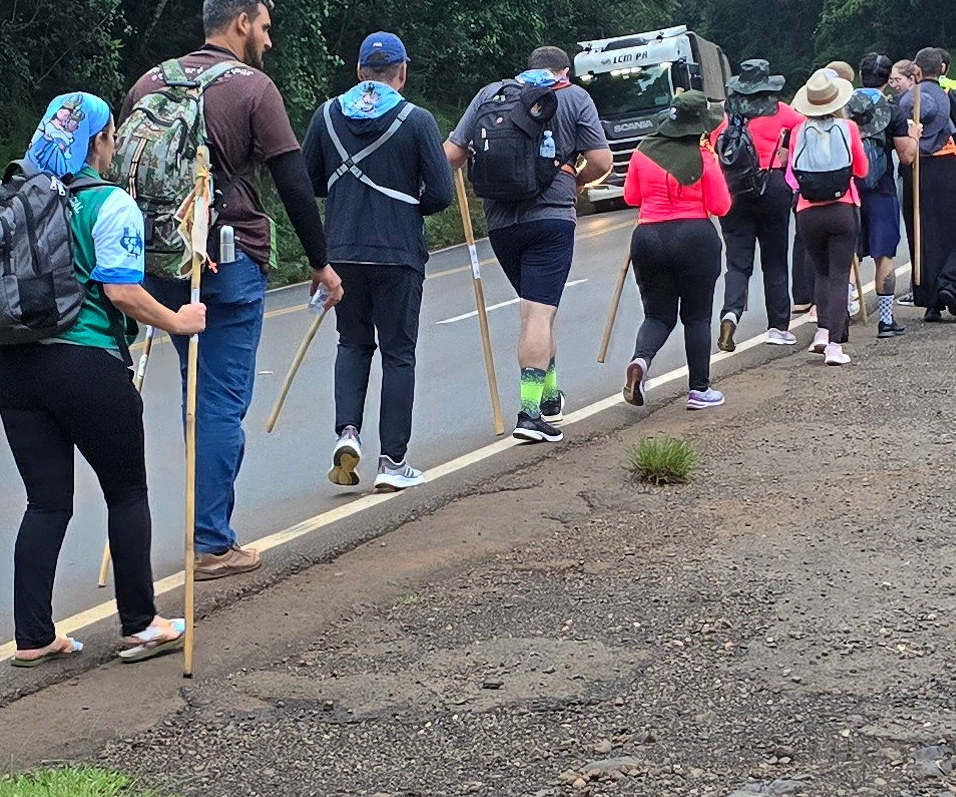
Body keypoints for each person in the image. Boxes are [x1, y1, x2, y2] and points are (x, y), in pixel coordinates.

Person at [121, 0, 342, 581]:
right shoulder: (252, 89)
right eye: (265, 27)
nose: (268, 40)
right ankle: (212, 542)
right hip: (227, 262)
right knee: (217, 402)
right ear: (241, 22)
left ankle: (203, 525)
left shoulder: (150, 83)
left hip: (157, 265)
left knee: (197, 395)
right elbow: (293, 181)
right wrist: (321, 261)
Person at [0, 94, 205, 663]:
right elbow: (122, 292)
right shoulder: (108, 203)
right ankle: (140, 624)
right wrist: (179, 321)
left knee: (45, 502)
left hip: (14, 365)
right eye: (110, 136)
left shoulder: (16, 198)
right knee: (127, 491)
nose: (113, 146)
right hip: (85, 361)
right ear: (97, 141)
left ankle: (34, 635)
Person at [301, 31, 455, 491]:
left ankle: (347, 432)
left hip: (342, 252)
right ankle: (393, 461)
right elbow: (442, 192)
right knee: (398, 353)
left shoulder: (327, 116)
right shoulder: (417, 120)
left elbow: (310, 181)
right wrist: (408, 207)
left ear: (359, 71)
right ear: (402, 73)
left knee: (351, 344)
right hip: (398, 252)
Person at [443, 48, 611, 444]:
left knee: (538, 309)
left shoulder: (491, 94)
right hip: (550, 218)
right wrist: (577, 181)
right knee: (537, 314)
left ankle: (550, 397)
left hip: (502, 223)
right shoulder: (573, 97)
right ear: (564, 70)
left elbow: (451, 153)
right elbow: (602, 161)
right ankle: (529, 412)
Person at [620, 89, 731, 409]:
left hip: (648, 237)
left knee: (657, 315)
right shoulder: (704, 155)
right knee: (696, 318)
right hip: (695, 237)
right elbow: (721, 205)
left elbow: (631, 196)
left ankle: (640, 361)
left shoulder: (643, 150)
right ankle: (699, 389)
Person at [787, 64, 869, 364]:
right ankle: (835, 345)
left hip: (808, 212)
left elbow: (793, 175)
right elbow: (861, 169)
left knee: (820, 273)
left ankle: (822, 331)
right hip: (843, 208)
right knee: (838, 275)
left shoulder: (798, 131)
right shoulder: (848, 128)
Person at [714, 60, 798, 352]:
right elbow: (801, 136)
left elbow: (716, 150)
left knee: (737, 262)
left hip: (735, 190)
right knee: (775, 260)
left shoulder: (727, 113)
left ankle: (730, 313)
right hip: (773, 184)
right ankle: (778, 326)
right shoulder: (782, 111)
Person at [902, 47, 956, 323]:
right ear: (943, 70)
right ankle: (950, 283)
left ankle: (931, 302)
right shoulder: (952, 95)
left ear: (916, 71)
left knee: (923, 232)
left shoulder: (904, 100)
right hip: (948, 167)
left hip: (915, 168)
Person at [852, 54, 906, 337]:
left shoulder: (842, 107)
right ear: (887, 79)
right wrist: (915, 135)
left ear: (861, 75)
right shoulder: (892, 111)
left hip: (848, 190)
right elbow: (907, 156)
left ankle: (841, 314)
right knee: (884, 254)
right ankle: (885, 320)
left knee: (849, 253)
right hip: (881, 190)